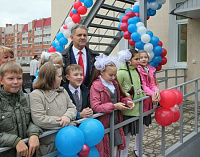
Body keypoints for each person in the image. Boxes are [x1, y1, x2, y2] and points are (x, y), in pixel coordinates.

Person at [90, 54, 134, 157]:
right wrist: (114, 106)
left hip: (115, 122)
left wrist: (127, 101)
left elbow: (119, 98)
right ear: (102, 72)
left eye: (115, 75)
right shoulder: (95, 86)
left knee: (114, 150)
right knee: (105, 151)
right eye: (111, 75)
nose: (113, 77)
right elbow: (96, 106)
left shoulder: (114, 83)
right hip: (104, 125)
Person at [30, 62, 77, 156]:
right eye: (59, 76)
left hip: (66, 141)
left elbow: (72, 107)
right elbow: (39, 119)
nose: (62, 79)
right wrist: (64, 122)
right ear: (50, 77)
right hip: (48, 146)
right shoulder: (36, 95)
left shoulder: (62, 91)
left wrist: (67, 116)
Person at [0, 61, 42, 157]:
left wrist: (34, 133)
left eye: (19, 78)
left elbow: (34, 120)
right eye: (10, 78)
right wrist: (15, 141)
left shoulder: (26, 98)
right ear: (1, 80)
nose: (16, 82)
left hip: (27, 153)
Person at [117, 49, 146, 157]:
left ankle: (136, 151)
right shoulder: (121, 72)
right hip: (127, 111)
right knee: (125, 137)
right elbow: (118, 89)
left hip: (136, 109)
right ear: (128, 60)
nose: (139, 61)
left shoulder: (136, 70)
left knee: (133, 134)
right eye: (136, 59)